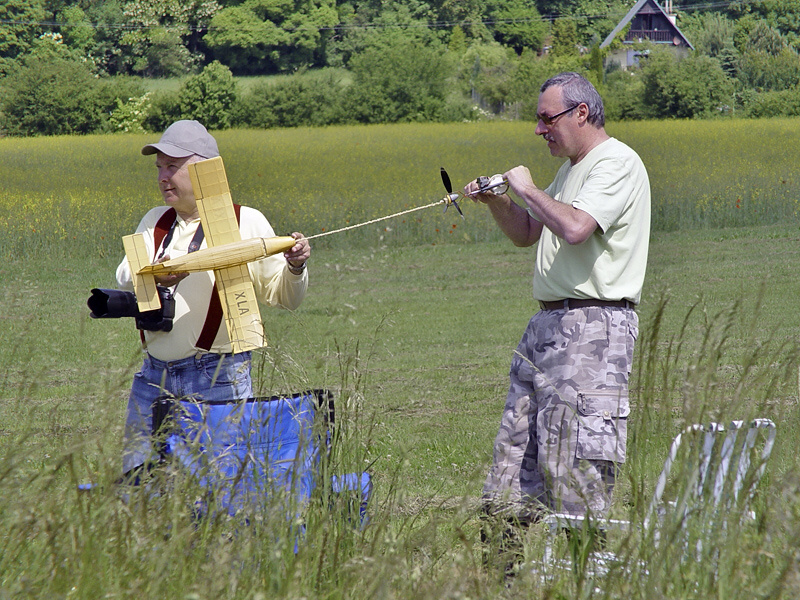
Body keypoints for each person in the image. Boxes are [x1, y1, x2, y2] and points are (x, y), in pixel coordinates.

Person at [465, 72, 651, 528]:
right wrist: (498, 202)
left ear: (581, 113)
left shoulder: (616, 163)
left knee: (574, 465)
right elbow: (529, 233)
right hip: (547, 326)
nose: (539, 129)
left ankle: (583, 574)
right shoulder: (571, 170)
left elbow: (574, 228)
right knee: (513, 462)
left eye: (547, 119)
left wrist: (527, 188)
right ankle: (504, 579)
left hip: (593, 330)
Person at [116, 120, 311, 476]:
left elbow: (284, 296)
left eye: (172, 166)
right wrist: (155, 272)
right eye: (159, 167)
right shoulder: (155, 221)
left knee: (219, 484)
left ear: (205, 169)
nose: (163, 176)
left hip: (216, 374)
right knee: (137, 477)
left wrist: (295, 267)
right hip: (152, 375)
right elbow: (126, 273)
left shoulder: (244, 221)